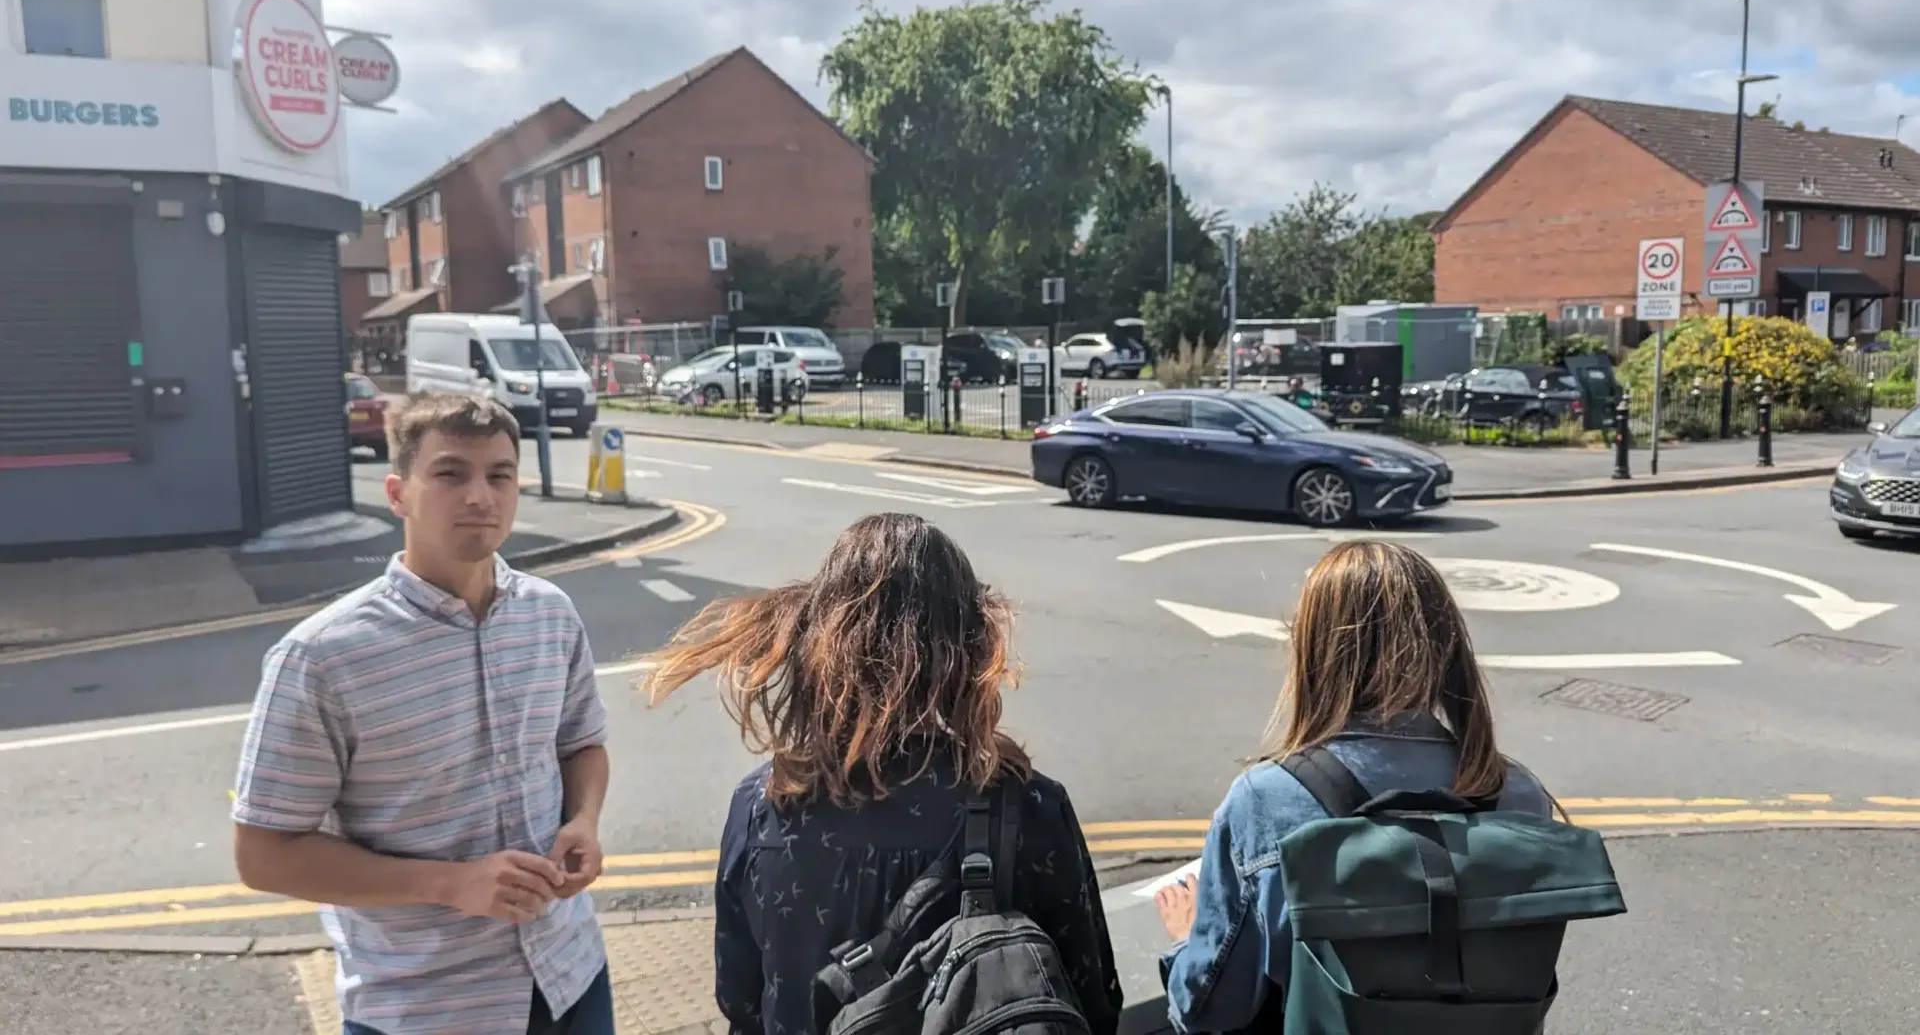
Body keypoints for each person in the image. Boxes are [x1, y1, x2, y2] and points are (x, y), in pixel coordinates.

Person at [642, 512, 1124, 1035]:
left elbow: (740, 1000)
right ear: (972, 646)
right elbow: (1092, 999)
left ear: (819, 637)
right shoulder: (1030, 807)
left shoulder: (763, 807)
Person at [231, 392, 614, 1035]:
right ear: (397, 493)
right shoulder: (321, 657)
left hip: (572, 975)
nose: (480, 496)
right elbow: (263, 855)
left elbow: (582, 744)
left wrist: (584, 821)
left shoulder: (549, 613)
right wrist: (451, 884)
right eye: (450, 474)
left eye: (499, 475)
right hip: (426, 1009)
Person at [1154, 540, 1555, 1033]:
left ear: (1313, 651)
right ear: (1446, 647)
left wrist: (1186, 937)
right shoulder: (1517, 792)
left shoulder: (1269, 799)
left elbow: (1210, 1009)